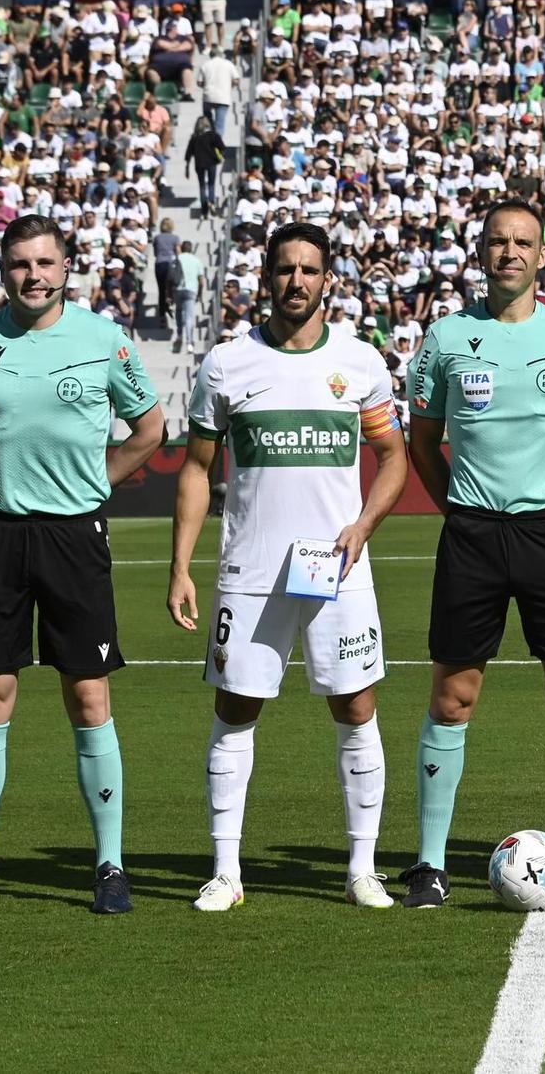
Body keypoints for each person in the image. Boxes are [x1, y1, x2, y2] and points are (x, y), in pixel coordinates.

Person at [0, 214, 166, 916]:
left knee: (88, 697)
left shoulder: (102, 342)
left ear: (67, 268)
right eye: (19, 264)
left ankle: (110, 865)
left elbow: (148, 428)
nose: (33, 275)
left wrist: (100, 481)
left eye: (45, 262)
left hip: (74, 538)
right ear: (4, 273)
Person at [168, 222, 410, 911]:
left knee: (356, 708)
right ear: (266, 278)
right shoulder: (227, 364)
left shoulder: (360, 362)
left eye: (309, 269)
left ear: (327, 278)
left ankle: (362, 868)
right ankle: (226, 871)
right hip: (250, 571)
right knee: (235, 708)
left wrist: (363, 525)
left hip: (336, 570)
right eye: (285, 269)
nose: (297, 281)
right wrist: (181, 566)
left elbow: (393, 456)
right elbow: (195, 468)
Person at [399, 198, 545, 909]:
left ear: (541, 254)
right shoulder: (446, 337)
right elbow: (423, 442)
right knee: (453, 694)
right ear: (481, 249)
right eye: (498, 241)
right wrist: (462, 508)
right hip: (471, 534)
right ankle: (429, 865)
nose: (510, 253)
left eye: (522, 242)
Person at [173, 240, 204, 353]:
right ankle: (189, 342)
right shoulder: (196, 261)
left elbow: (169, 278)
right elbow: (201, 280)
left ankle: (179, 334)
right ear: (191, 249)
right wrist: (200, 293)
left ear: (181, 248)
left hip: (177, 290)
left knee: (178, 312)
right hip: (191, 290)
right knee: (189, 316)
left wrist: (168, 294)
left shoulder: (176, 259)